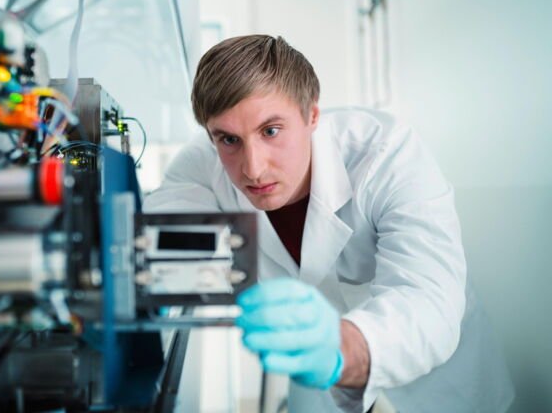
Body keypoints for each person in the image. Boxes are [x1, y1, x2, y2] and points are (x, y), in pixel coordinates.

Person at [144, 35, 513, 412]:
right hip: (318, 376)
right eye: (228, 139)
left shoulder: (387, 154)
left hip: (430, 367)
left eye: (271, 131)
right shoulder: (203, 164)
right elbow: (155, 237)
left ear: (312, 116)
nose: (252, 168)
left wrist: (338, 346)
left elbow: (427, 298)